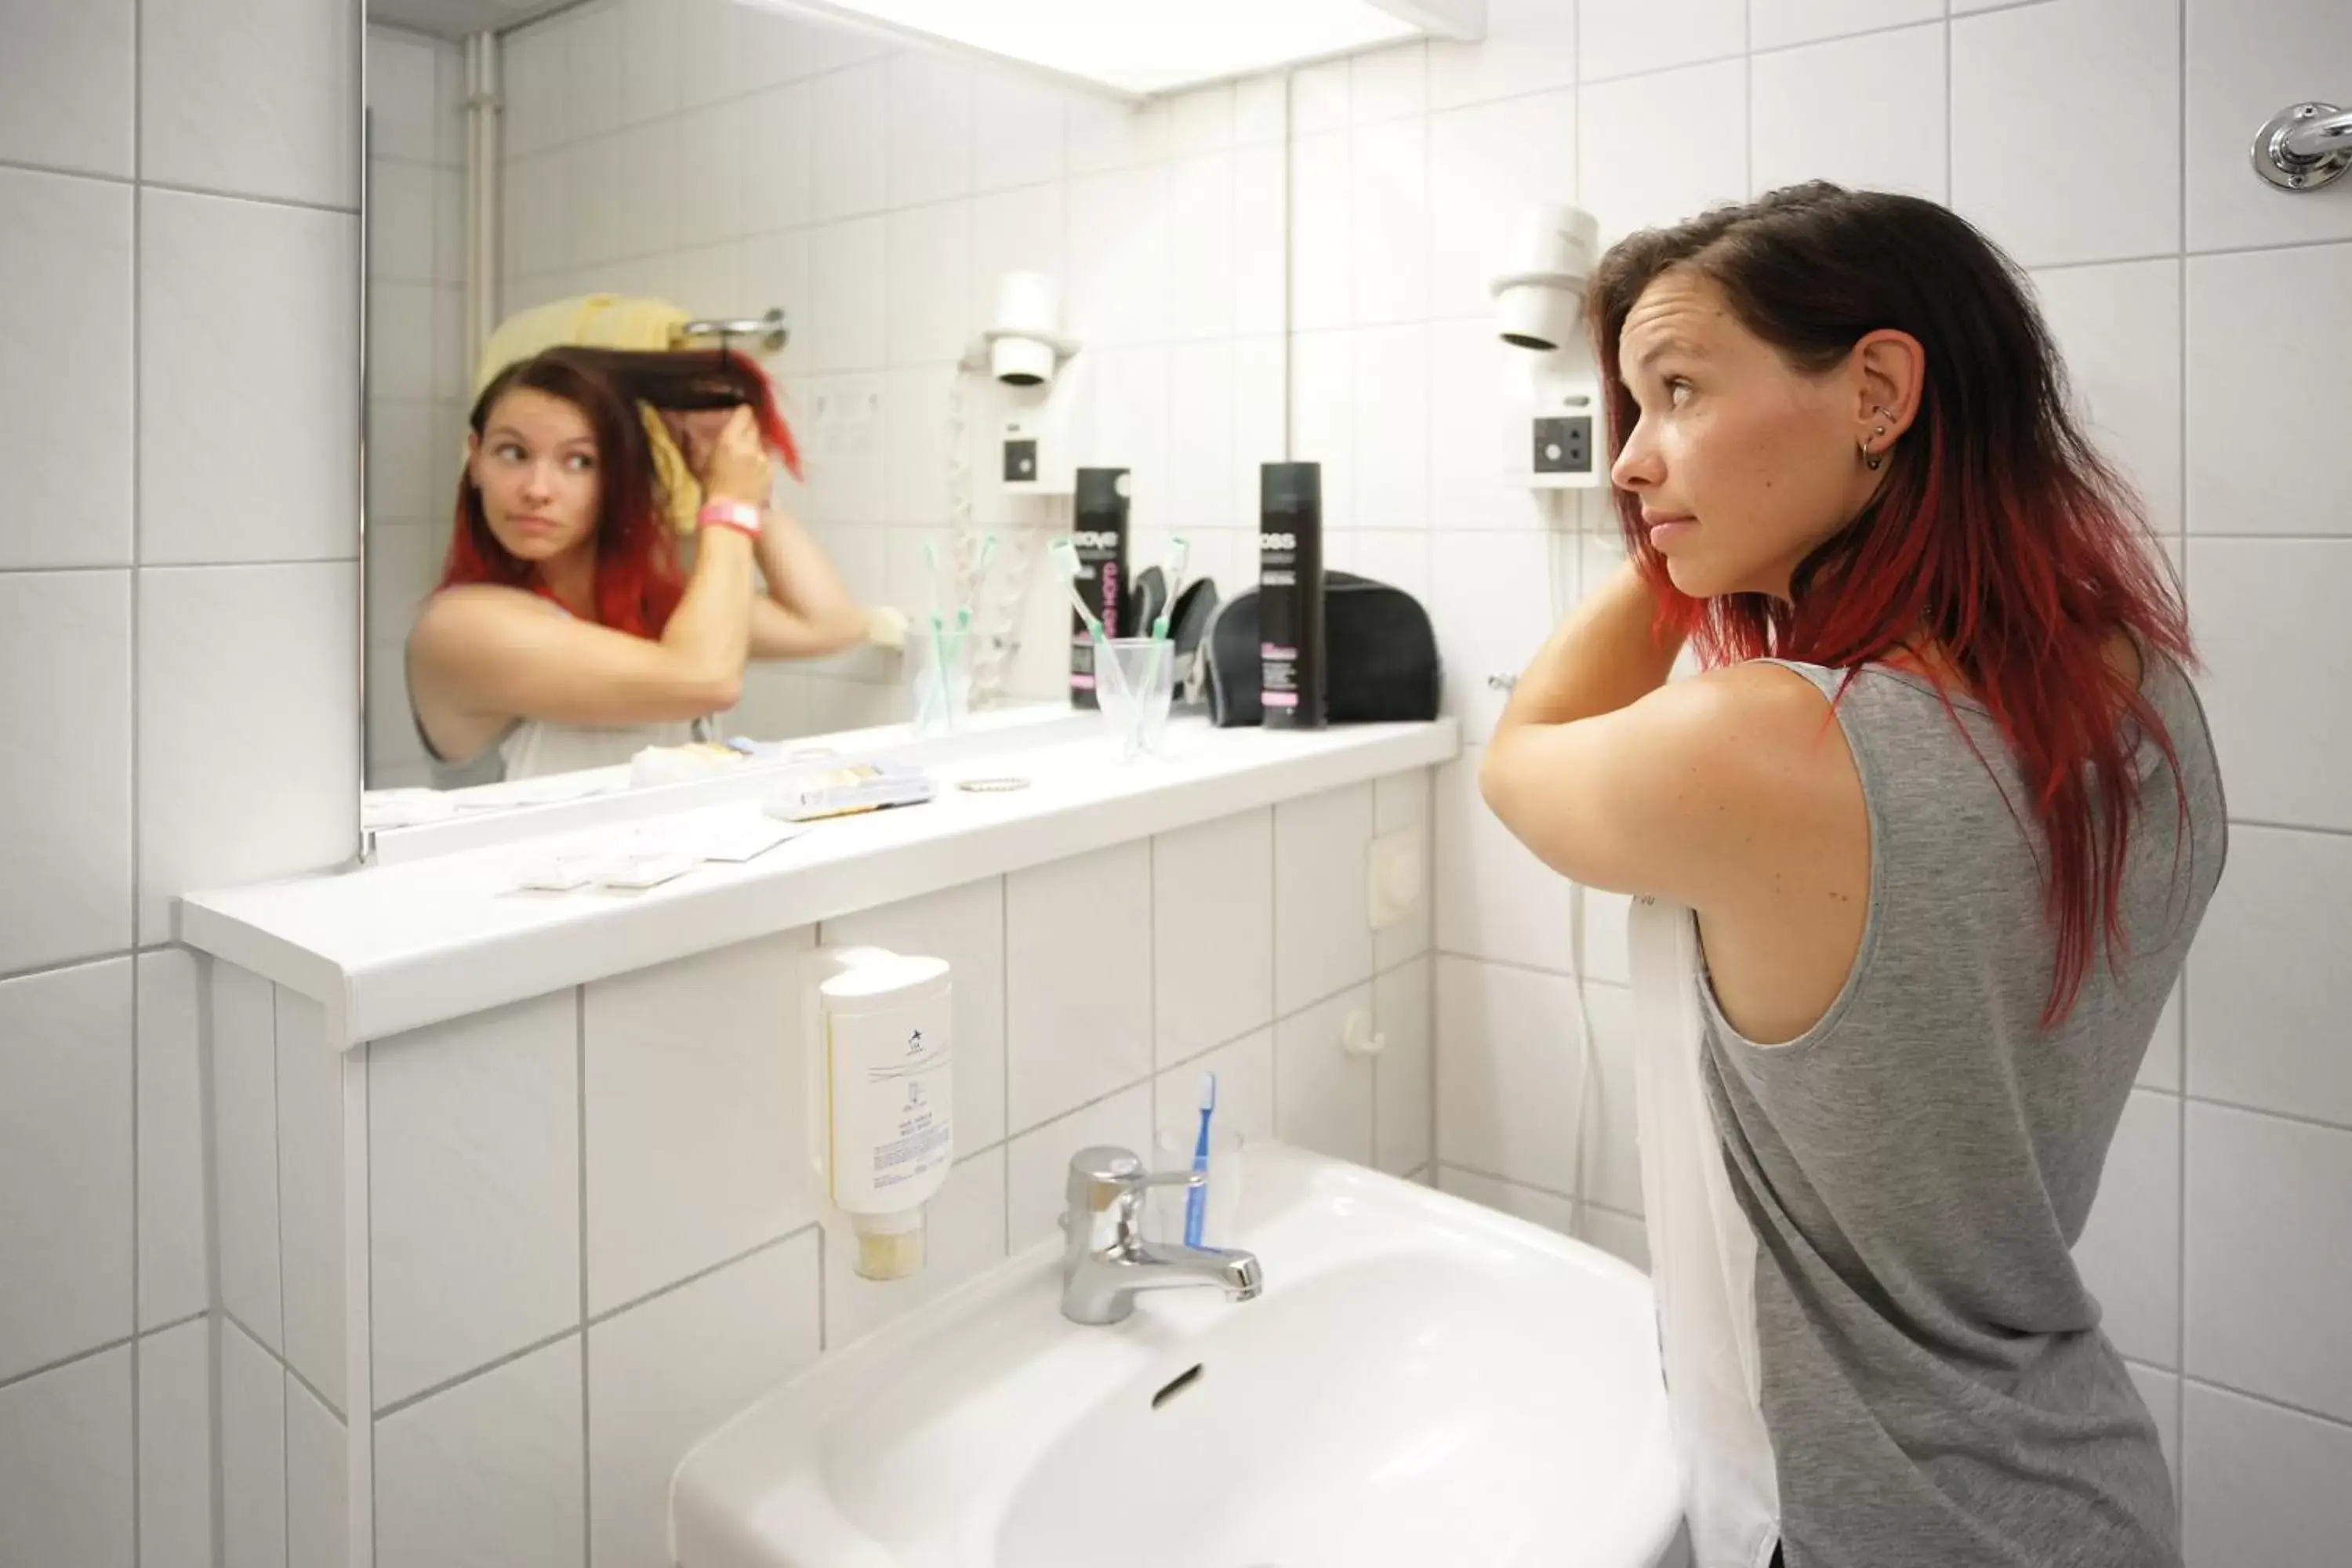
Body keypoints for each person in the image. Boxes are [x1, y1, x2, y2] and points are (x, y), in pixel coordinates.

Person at [1479, 183, 2225, 1568]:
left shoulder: (1773, 741)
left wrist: (1681, 559)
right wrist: (1717, 496)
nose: (1630, 465)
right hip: (2085, 1484)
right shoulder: (2144, 708)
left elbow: (1523, 758)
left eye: (1678, 391)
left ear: (1878, 390)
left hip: (1872, 1527)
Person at [407, 346, 867, 779]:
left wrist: (747, 490)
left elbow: (830, 625)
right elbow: (707, 680)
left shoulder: (660, 595)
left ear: (617, 477)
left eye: (579, 461)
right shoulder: (458, 629)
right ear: (476, 461)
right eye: (513, 453)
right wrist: (729, 503)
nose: (537, 489)